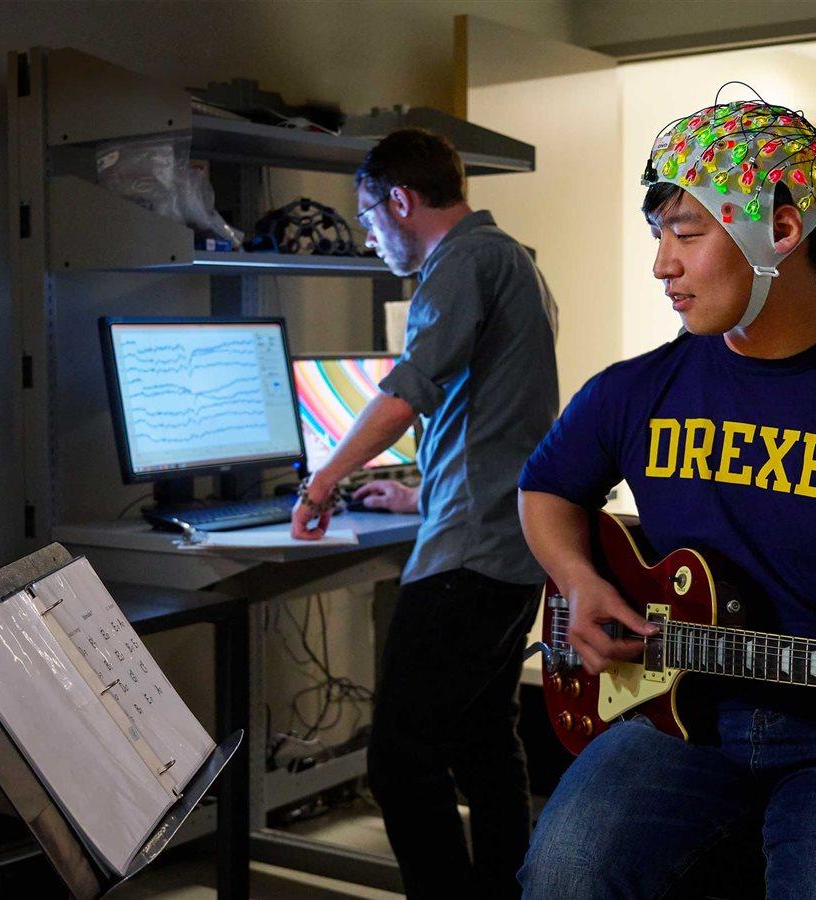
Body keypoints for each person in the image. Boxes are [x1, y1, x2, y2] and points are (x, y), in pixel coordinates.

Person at [514, 98, 816, 899]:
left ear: (779, 232)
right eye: (659, 235)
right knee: (564, 871)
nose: (662, 265)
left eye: (688, 233)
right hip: (676, 713)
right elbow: (545, 490)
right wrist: (581, 581)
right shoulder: (635, 390)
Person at [289, 127, 559, 899]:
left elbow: (409, 393)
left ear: (400, 201)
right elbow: (498, 416)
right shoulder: (513, 260)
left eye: (371, 219)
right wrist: (425, 491)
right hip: (508, 538)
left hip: (471, 552)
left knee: (401, 759)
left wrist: (322, 484)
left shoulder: (462, 264)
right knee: (483, 742)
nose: (372, 238)